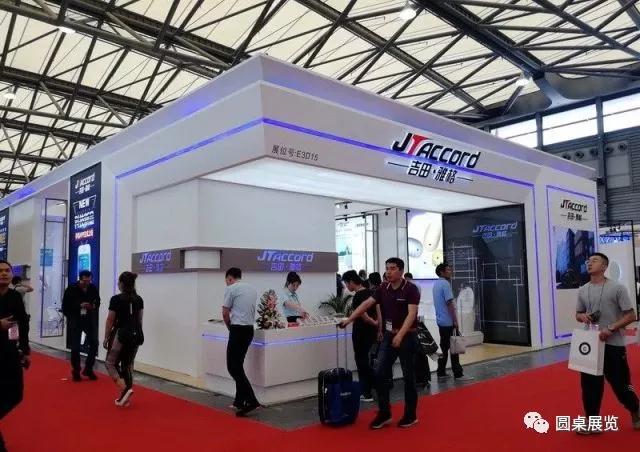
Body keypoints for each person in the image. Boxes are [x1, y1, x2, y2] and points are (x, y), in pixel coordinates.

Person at [340, 257, 420, 429]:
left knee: (408, 377)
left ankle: (410, 414)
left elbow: (412, 314)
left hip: (407, 336)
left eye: (393, 268)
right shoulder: (383, 288)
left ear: (401, 271)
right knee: (379, 371)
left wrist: (401, 334)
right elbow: (366, 304)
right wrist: (349, 320)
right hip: (390, 336)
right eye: (387, 268)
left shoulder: (411, 289)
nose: (389, 272)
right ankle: (384, 413)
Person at [575, 252, 640, 434]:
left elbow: (631, 315)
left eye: (594, 261)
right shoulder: (583, 290)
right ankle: (592, 423)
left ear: (604, 266)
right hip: (590, 345)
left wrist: (611, 328)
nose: (589, 263)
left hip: (614, 345)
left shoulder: (617, 288)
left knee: (621, 385)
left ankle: (636, 411)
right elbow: (578, 313)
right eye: (588, 261)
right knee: (590, 386)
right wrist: (582, 316)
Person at [0, 261, 30, 452]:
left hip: (10, 351)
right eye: (0, 271)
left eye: (7, 270)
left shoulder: (15, 296)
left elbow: (21, 324)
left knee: (16, 393)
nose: (4, 273)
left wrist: (24, 350)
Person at [223, 267, 261, 417]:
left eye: (226, 281)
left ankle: (252, 400)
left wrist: (229, 327)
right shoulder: (252, 289)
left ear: (230, 278)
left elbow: (225, 312)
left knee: (232, 367)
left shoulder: (231, 288)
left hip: (237, 330)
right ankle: (239, 401)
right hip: (249, 330)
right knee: (238, 365)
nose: (226, 283)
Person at [103, 271, 144, 407]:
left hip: (121, 335)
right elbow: (140, 319)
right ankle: (124, 398)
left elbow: (110, 320)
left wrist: (106, 337)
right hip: (136, 335)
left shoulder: (116, 299)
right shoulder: (139, 299)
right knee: (128, 364)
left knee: (110, 363)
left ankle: (125, 389)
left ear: (121, 284)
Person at [342, 270, 381, 402]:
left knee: (362, 362)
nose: (347, 287)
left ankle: (366, 393)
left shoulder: (357, 296)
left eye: (346, 283)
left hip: (361, 333)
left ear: (351, 282)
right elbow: (378, 312)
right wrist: (378, 327)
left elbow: (363, 315)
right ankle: (375, 388)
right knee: (369, 362)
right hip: (372, 333)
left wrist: (373, 322)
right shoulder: (371, 292)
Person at [433, 263, 472, 382]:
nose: (450, 272)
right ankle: (458, 374)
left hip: (441, 321)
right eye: (448, 270)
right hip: (448, 321)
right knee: (454, 348)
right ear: (441, 272)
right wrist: (455, 320)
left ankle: (441, 372)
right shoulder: (445, 284)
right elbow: (449, 303)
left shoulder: (436, 284)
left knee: (444, 348)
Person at [62, 270, 100, 381]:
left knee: (94, 343)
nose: (87, 283)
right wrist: (79, 306)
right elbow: (65, 307)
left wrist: (93, 306)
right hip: (75, 319)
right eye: (85, 281)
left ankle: (88, 368)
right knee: (75, 347)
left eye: (89, 281)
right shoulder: (71, 289)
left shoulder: (92, 288)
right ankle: (76, 371)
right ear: (80, 279)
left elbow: (98, 301)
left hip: (89, 319)